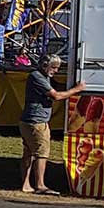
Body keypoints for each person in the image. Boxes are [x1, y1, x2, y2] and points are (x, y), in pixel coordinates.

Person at [20, 54, 84, 195]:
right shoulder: (37, 77)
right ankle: (40, 185)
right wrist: (77, 89)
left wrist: (68, 86)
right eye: (54, 68)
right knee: (41, 153)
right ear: (45, 65)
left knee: (29, 153)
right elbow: (56, 96)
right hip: (36, 122)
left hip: (29, 121)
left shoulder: (42, 77)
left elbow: (56, 87)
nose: (55, 71)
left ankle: (26, 184)